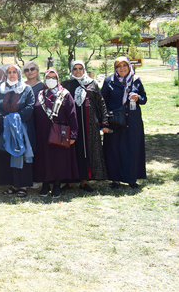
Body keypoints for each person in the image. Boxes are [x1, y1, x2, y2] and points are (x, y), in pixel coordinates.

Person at [60, 61, 109, 191]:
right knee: (71, 151)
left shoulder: (92, 83)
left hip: (90, 125)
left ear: (84, 69)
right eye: (75, 69)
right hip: (72, 124)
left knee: (87, 151)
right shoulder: (66, 85)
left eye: (80, 68)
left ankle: (84, 181)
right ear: (71, 70)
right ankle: (69, 181)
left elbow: (101, 103)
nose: (77, 71)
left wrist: (104, 121)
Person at [101, 56, 147, 189]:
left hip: (132, 121)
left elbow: (144, 99)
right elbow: (103, 102)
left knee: (131, 148)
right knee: (114, 149)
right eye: (119, 66)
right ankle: (115, 179)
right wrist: (105, 120)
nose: (122, 68)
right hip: (114, 121)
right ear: (115, 68)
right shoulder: (109, 81)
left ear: (129, 67)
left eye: (124, 66)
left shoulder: (135, 80)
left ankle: (131, 178)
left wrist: (138, 97)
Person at [32, 69, 79, 197]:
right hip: (41, 132)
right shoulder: (39, 95)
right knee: (43, 158)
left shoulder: (65, 94)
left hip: (60, 132)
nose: (51, 79)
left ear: (57, 79)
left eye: (53, 77)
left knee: (59, 159)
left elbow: (72, 114)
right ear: (44, 79)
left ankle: (57, 185)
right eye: (48, 77)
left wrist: (73, 134)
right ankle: (45, 184)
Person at [0, 64, 36, 197]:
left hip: (22, 128)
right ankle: (13, 184)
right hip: (6, 128)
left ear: (18, 74)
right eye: (9, 72)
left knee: (20, 155)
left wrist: (14, 117)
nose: (12, 75)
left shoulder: (26, 89)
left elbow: (29, 107)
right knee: (8, 156)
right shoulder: (2, 89)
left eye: (14, 72)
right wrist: (5, 118)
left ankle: (23, 186)